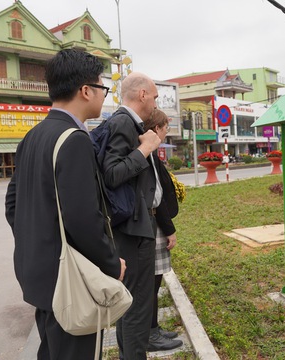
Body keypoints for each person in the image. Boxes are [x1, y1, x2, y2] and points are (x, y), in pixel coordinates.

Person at [4, 49, 126, 360]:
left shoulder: (32, 136)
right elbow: (84, 219)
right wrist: (112, 265)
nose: (103, 97)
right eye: (102, 88)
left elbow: (12, 204)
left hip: (38, 275)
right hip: (68, 284)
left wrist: (38, 244)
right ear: (86, 90)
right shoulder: (74, 139)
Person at [99, 72, 176, 360]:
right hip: (132, 232)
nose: (155, 101)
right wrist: (145, 148)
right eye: (154, 96)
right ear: (142, 94)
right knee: (137, 308)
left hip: (136, 227)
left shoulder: (129, 123)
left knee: (133, 305)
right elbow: (112, 173)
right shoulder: (122, 122)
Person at [142, 109, 183, 351]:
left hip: (156, 224)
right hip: (155, 225)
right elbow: (156, 199)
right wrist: (170, 229)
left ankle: (153, 328)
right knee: (151, 284)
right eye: (166, 127)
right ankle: (149, 334)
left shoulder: (153, 155)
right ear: (156, 128)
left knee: (154, 283)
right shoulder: (148, 155)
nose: (167, 131)